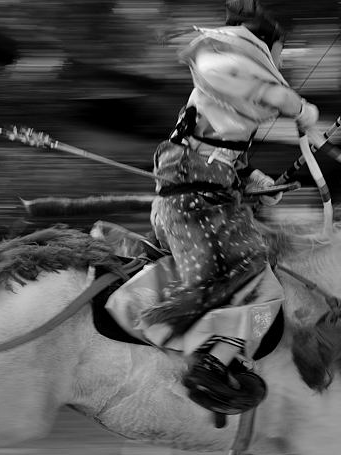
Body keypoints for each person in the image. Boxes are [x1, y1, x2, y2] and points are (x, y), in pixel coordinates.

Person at [136, 0, 320, 414]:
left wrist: (257, 181)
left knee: (263, 286)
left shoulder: (225, 72)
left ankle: (225, 352)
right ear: (268, 43)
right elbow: (258, 90)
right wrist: (300, 108)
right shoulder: (219, 60)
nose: (281, 59)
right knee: (265, 291)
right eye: (281, 49)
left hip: (202, 201)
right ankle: (211, 367)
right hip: (194, 206)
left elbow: (223, 151)